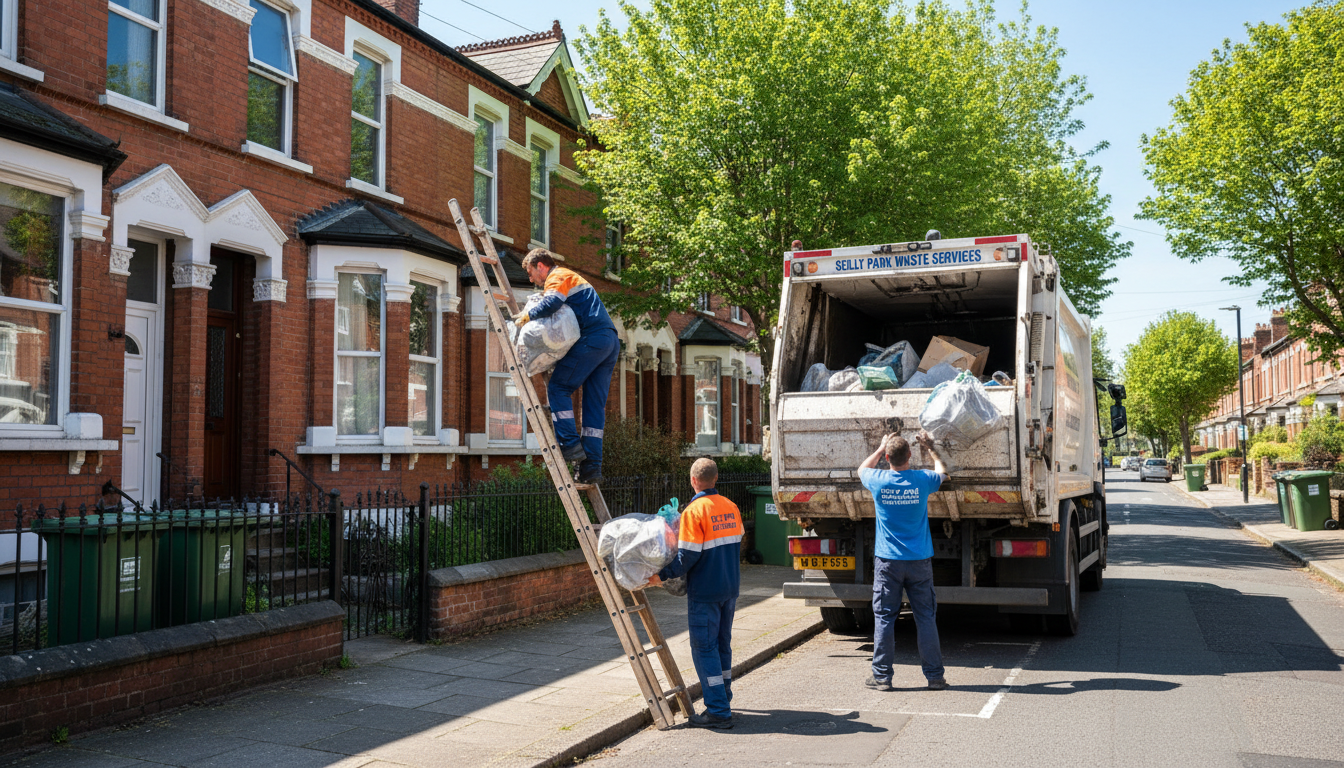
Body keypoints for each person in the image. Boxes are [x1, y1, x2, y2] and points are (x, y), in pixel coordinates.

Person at [650, 457, 742, 729]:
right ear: (716, 479)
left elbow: (686, 558)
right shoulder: (732, 507)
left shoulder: (694, 511)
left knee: (705, 648)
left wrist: (660, 575)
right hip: (730, 588)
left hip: (705, 591)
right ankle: (723, 697)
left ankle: (717, 711)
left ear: (692, 481)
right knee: (722, 645)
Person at [515, 248, 619, 484]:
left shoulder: (558, 275)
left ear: (541, 266)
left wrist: (528, 316)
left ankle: (570, 445)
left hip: (594, 339)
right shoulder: (571, 278)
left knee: (558, 388)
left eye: (531, 273)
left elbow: (552, 303)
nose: (531, 279)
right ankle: (591, 468)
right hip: (609, 341)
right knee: (593, 406)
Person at [859, 431, 950, 692]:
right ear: (910, 456)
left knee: (885, 618)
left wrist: (878, 448)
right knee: (925, 617)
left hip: (888, 562)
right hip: (919, 560)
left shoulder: (877, 480)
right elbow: (943, 472)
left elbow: (861, 469)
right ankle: (934, 677)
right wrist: (930, 448)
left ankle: (882, 677)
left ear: (887, 458)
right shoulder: (922, 480)